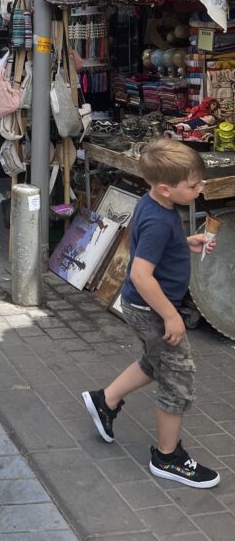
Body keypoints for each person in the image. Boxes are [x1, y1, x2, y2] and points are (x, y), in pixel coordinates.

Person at [82, 140, 219, 488]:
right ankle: (167, 458)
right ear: (165, 188)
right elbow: (143, 274)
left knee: (156, 361)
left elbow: (151, 246)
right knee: (178, 378)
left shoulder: (153, 204)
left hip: (143, 307)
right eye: (193, 185)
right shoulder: (160, 218)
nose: (200, 189)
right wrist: (171, 317)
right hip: (153, 309)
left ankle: (105, 400)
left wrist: (185, 243)